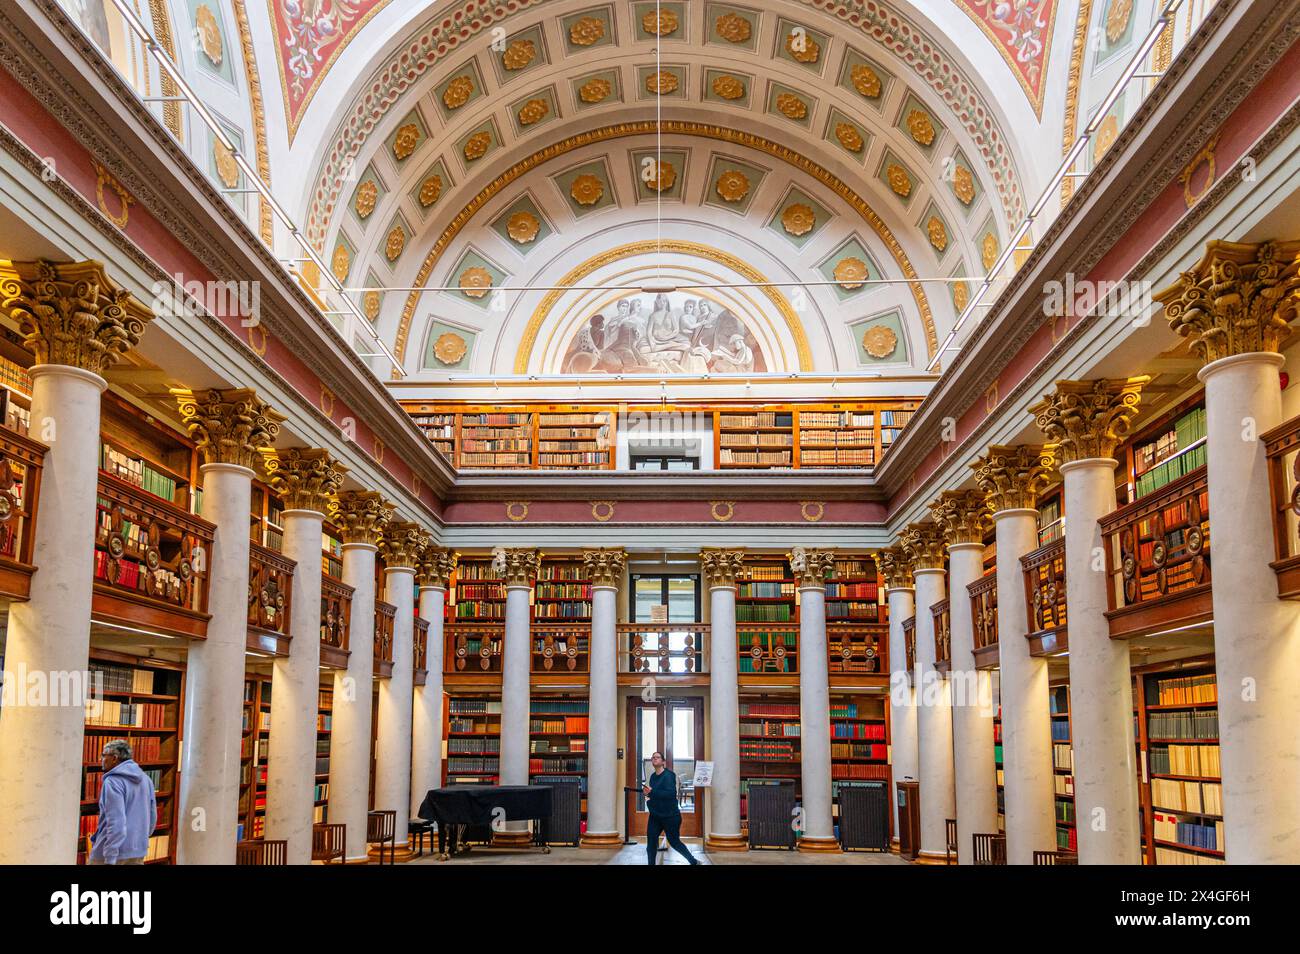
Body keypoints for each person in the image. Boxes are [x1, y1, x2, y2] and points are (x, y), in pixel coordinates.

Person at [89, 739, 157, 865]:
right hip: (137, 851)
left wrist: (110, 857)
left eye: (103, 755)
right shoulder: (146, 779)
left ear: (114, 758)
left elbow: (116, 822)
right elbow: (152, 817)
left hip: (111, 853)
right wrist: (139, 839)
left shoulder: (113, 781)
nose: (101, 759)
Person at [642, 751, 700, 865]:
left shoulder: (669, 775)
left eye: (657, 757)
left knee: (674, 842)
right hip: (655, 816)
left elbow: (670, 794)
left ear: (663, 762)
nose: (654, 759)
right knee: (651, 844)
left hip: (670, 816)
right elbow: (654, 795)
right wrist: (648, 796)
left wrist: (652, 792)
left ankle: (693, 861)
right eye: (653, 757)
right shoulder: (653, 777)